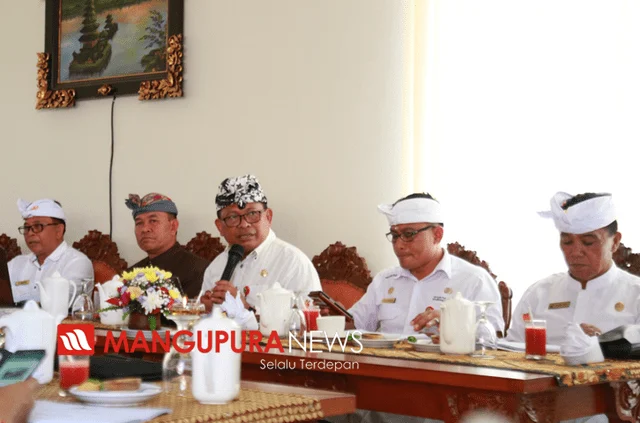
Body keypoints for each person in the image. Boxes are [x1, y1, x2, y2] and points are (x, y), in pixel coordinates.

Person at [350, 193, 504, 335]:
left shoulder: (474, 280)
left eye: (408, 234)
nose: (399, 245)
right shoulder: (385, 280)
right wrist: (336, 316)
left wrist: (454, 322)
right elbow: (354, 325)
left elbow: (493, 338)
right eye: (395, 235)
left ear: (437, 235)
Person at [508, 192, 640, 345]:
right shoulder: (539, 293)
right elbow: (510, 349)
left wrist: (605, 346)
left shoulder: (636, 295)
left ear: (615, 242)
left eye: (588, 242)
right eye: (567, 242)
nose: (575, 252)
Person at [199, 174, 321, 313]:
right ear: (220, 227)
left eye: (252, 214)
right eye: (233, 217)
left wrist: (245, 309)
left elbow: (310, 321)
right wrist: (208, 312)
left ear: (268, 217)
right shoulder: (216, 268)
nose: (244, 224)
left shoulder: (293, 262)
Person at [8, 199, 92, 304]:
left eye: (37, 226)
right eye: (27, 227)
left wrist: (15, 298)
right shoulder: (16, 264)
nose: (30, 233)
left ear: (58, 231)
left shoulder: (77, 262)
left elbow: (59, 302)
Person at [125, 193, 210, 298]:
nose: (145, 229)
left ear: (173, 226)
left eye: (153, 221)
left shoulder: (199, 270)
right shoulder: (131, 274)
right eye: (139, 223)